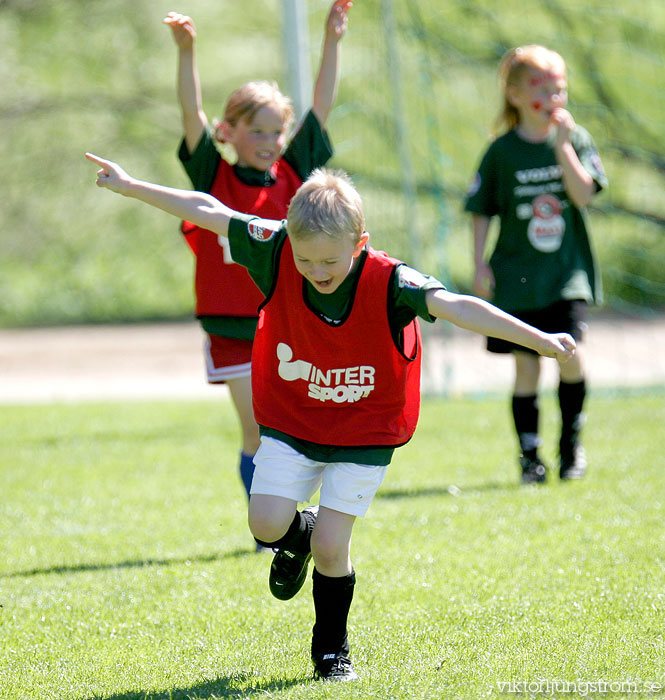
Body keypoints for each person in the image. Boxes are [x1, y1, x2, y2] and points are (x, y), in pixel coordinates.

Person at [85, 153, 576, 681]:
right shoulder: (273, 248)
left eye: (330, 264)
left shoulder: (393, 281)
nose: (316, 272)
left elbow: (458, 306)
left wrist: (540, 340)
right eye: (306, 261)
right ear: (289, 242)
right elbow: (208, 210)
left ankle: (330, 651)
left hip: (365, 428)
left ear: (359, 244)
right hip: (295, 417)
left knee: (331, 547)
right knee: (266, 522)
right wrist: (133, 186)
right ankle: (302, 532)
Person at [162, 1, 351, 507]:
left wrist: (332, 41)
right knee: (260, 433)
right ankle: (267, 525)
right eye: (257, 131)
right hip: (232, 328)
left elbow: (323, 106)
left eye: (276, 132)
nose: (269, 141)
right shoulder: (212, 175)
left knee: (296, 431)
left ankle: (285, 516)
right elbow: (190, 113)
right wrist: (187, 52)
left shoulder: (293, 173)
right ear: (229, 131)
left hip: (288, 323)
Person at [464, 45, 607, 484]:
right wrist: (479, 265)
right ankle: (530, 457)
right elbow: (482, 209)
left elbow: (583, 196)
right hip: (517, 277)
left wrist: (563, 147)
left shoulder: (575, 138)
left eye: (558, 86)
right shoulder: (501, 151)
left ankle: (570, 447)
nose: (552, 94)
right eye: (540, 86)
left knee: (570, 355)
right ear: (515, 94)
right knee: (527, 366)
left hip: (566, 274)